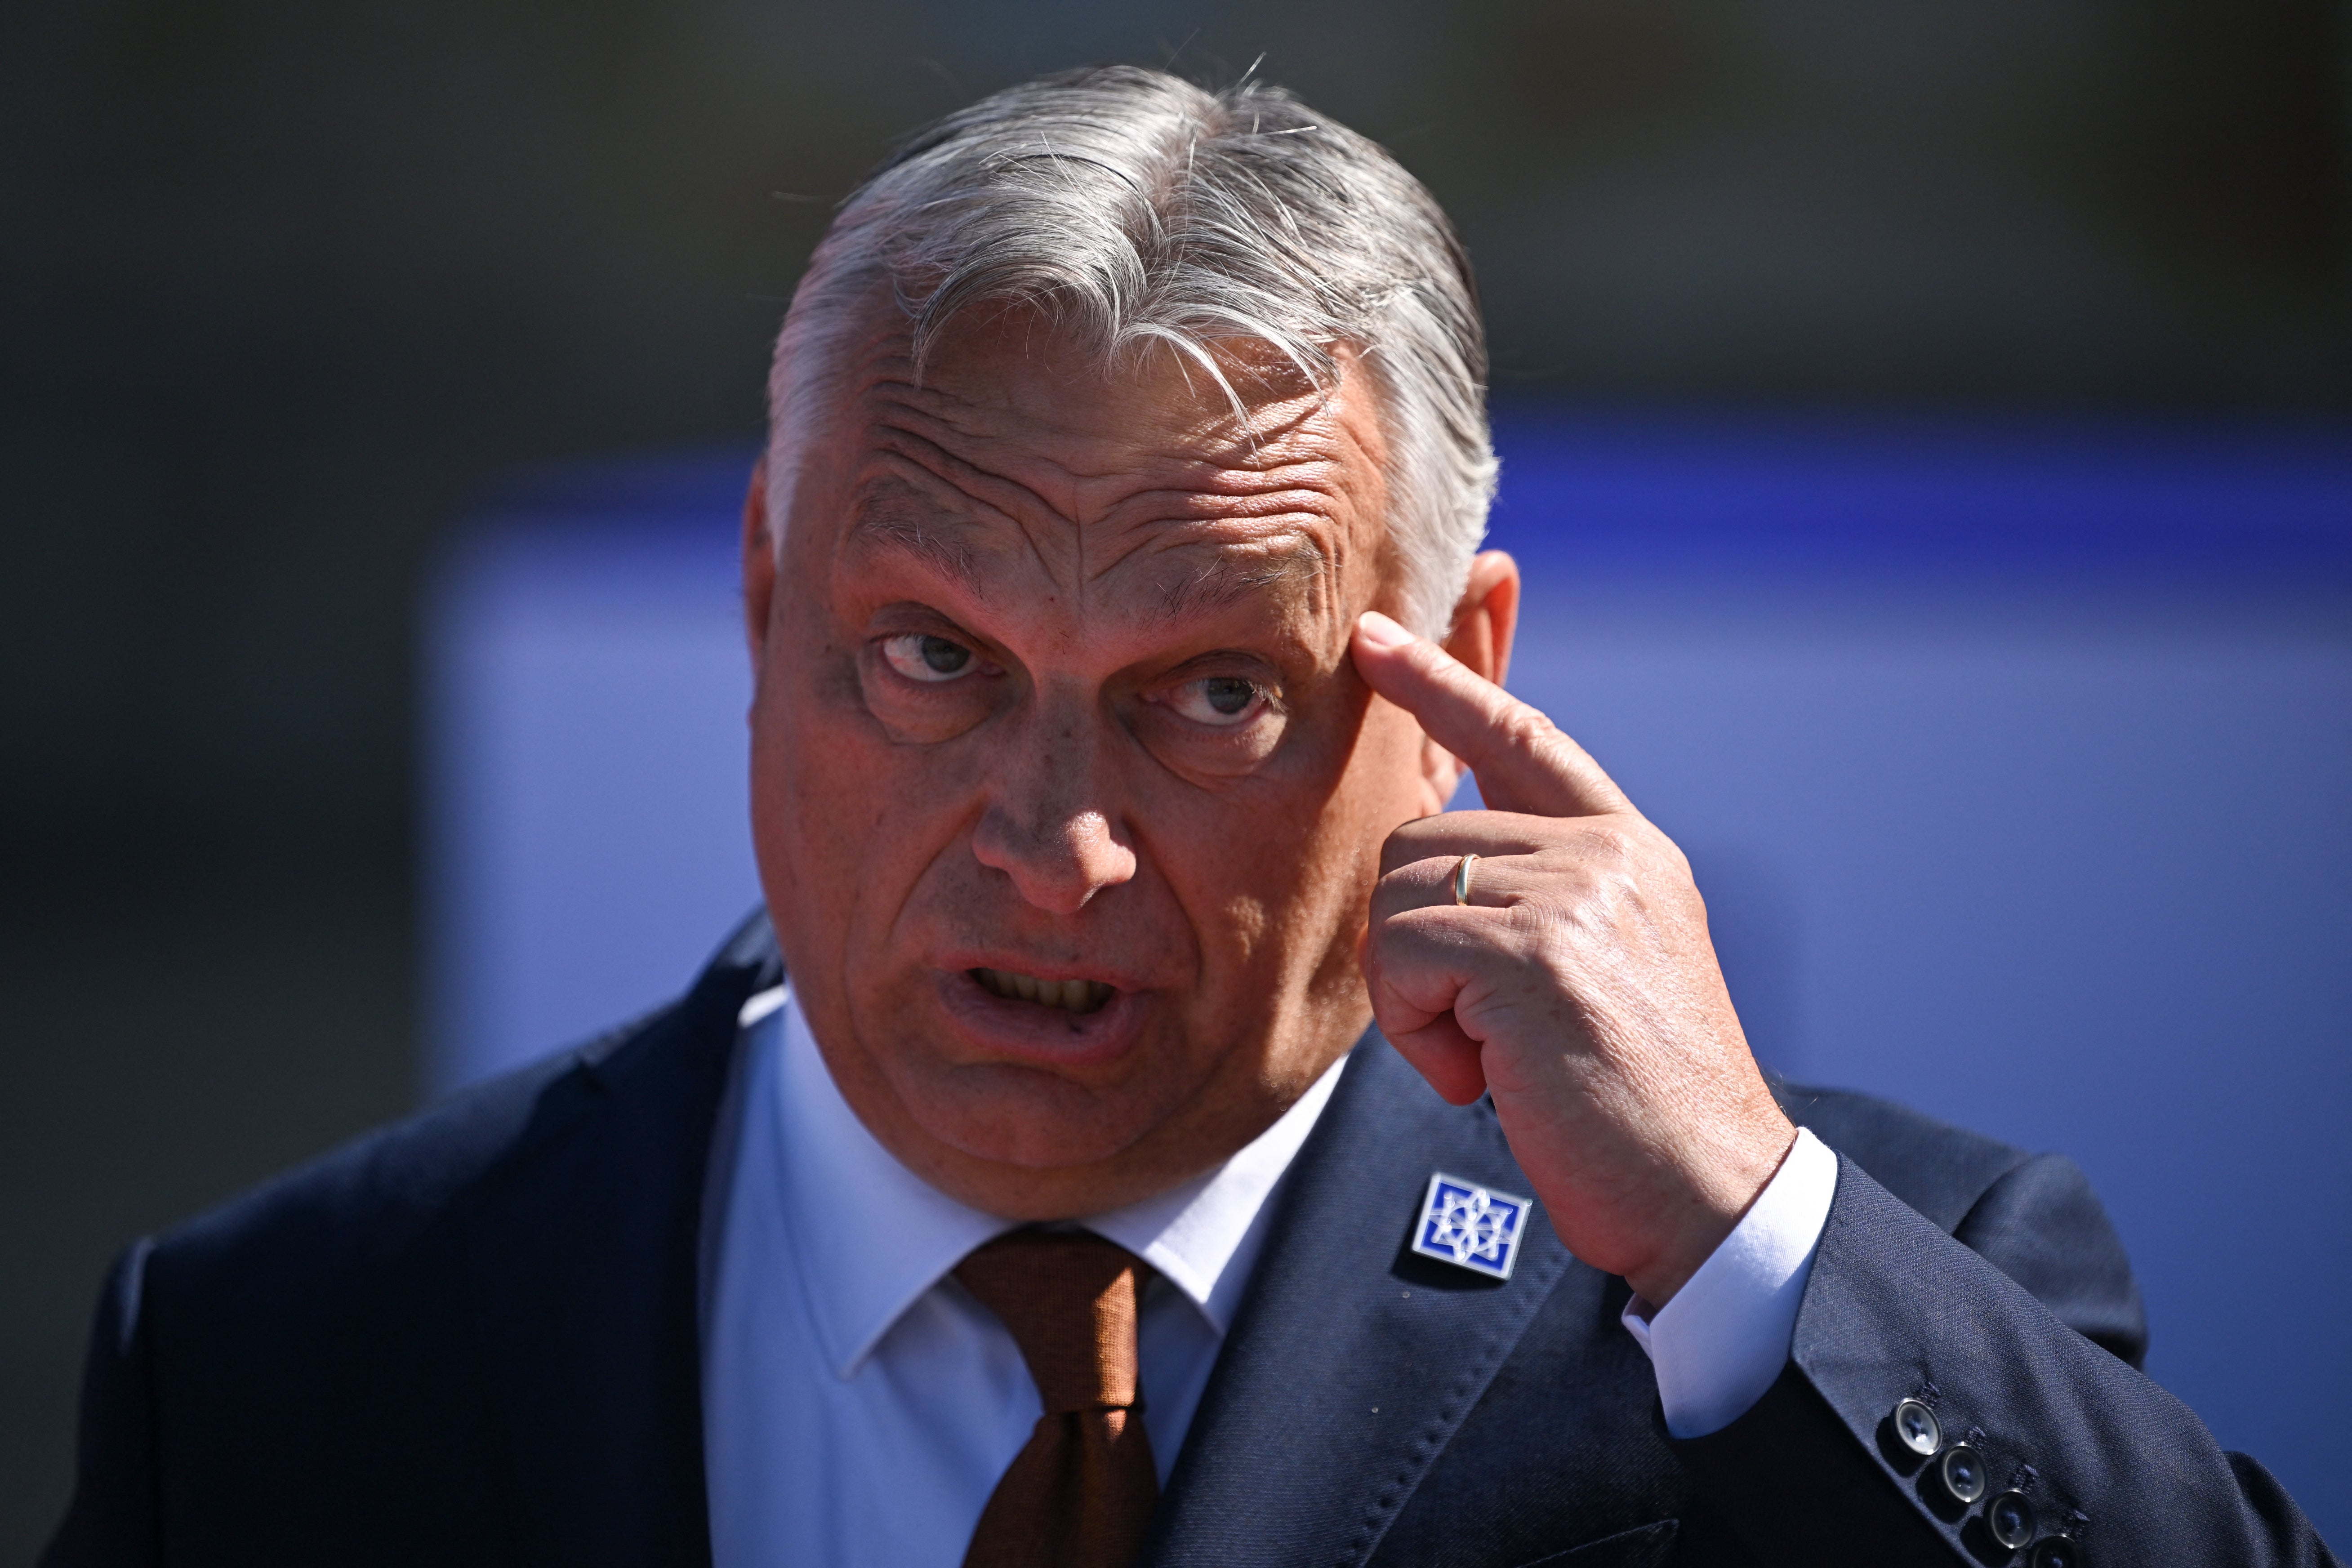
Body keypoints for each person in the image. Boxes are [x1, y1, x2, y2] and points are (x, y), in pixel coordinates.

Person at [43, 64, 2337, 1568]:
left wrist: (1740, 1239)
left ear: (1468, 683)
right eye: (933, 657)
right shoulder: (282, 1363)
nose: (1056, 843)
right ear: (763, 593)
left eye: (1212, 693)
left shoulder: (1804, 1300)